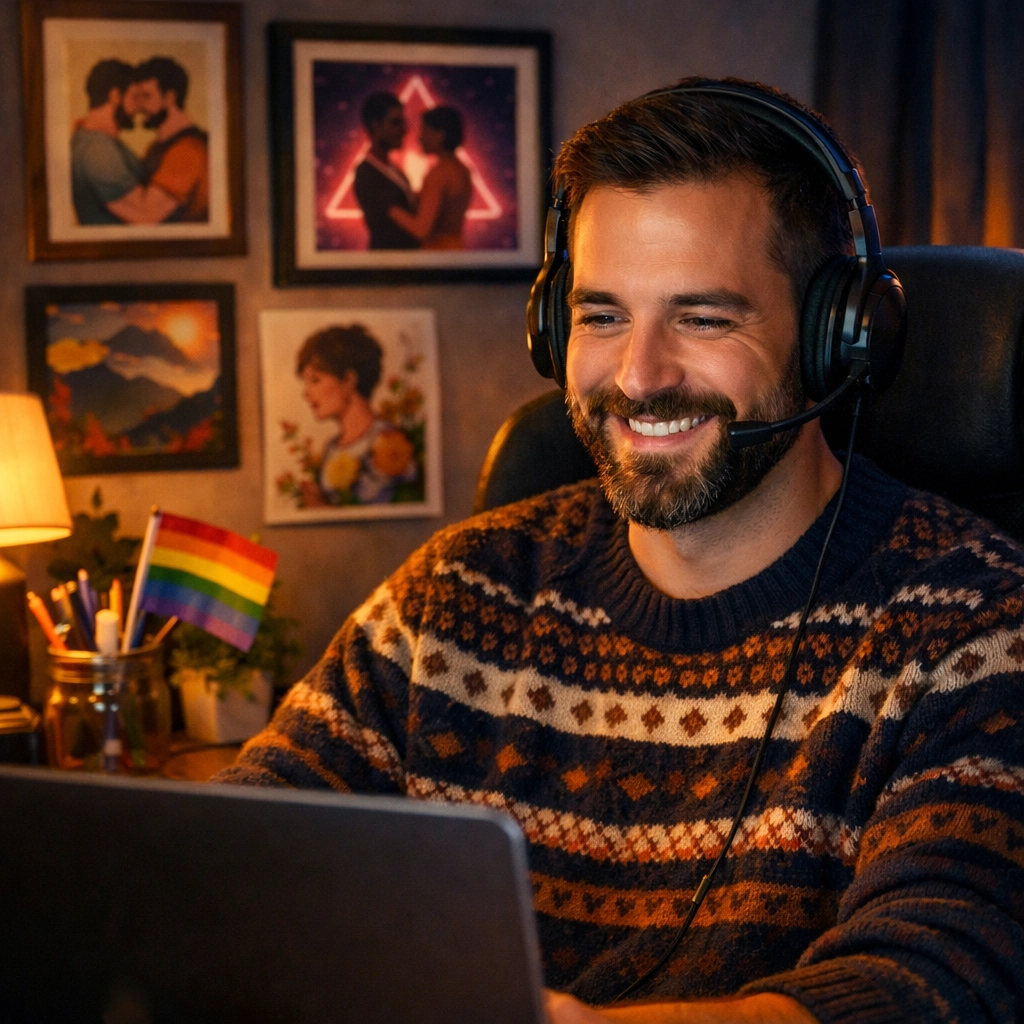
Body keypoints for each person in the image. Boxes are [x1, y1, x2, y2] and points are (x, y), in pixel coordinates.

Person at [218, 79, 1024, 1023]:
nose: (639, 377)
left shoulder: (974, 628)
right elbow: (232, 861)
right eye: (602, 316)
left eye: (704, 318)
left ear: (834, 338)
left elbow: (932, 981)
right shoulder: (455, 593)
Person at [296, 324, 417, 505]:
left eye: (315, 380)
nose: (306, 393)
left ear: (348, 380)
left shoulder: (389, 442)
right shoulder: (330, 449)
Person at [107, 56, 209, 224]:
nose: (140, 106)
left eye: (147, 96)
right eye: (137, 97)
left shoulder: (188, 150)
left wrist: (101, 197)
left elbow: (147, 218)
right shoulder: (157, 146)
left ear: (169, 97)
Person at [388, 105, 472, 249]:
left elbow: (421, 230)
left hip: (437, 253)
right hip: (456, 249)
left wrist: (390, 208)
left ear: (440, 135)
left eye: (425, 131)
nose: (420, 138)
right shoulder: (462, 169)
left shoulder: (439, 174)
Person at [70, 59, 142, 225]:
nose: (138, 107)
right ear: (115, 96)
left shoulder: (97, 140)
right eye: (134, 97)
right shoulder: (98, 149)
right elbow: (145, 216)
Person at [353, 91, 419, 249]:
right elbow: (409, 226)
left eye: (403, 122)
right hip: (388, 259)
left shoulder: (391, 168)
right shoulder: (367, 174)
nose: (404, 129)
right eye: (395, 123)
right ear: (375, 125)